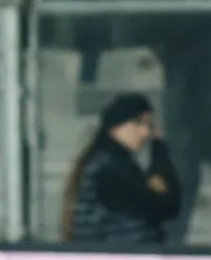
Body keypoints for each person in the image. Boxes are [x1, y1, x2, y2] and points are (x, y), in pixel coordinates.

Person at [63, 93, 180, 243]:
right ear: (115, 127)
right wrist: (159, 154)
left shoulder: (106, 163)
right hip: (116, 259)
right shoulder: (110, 169)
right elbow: (164, 207)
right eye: (137, 123)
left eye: (149, 126)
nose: (145, 132)